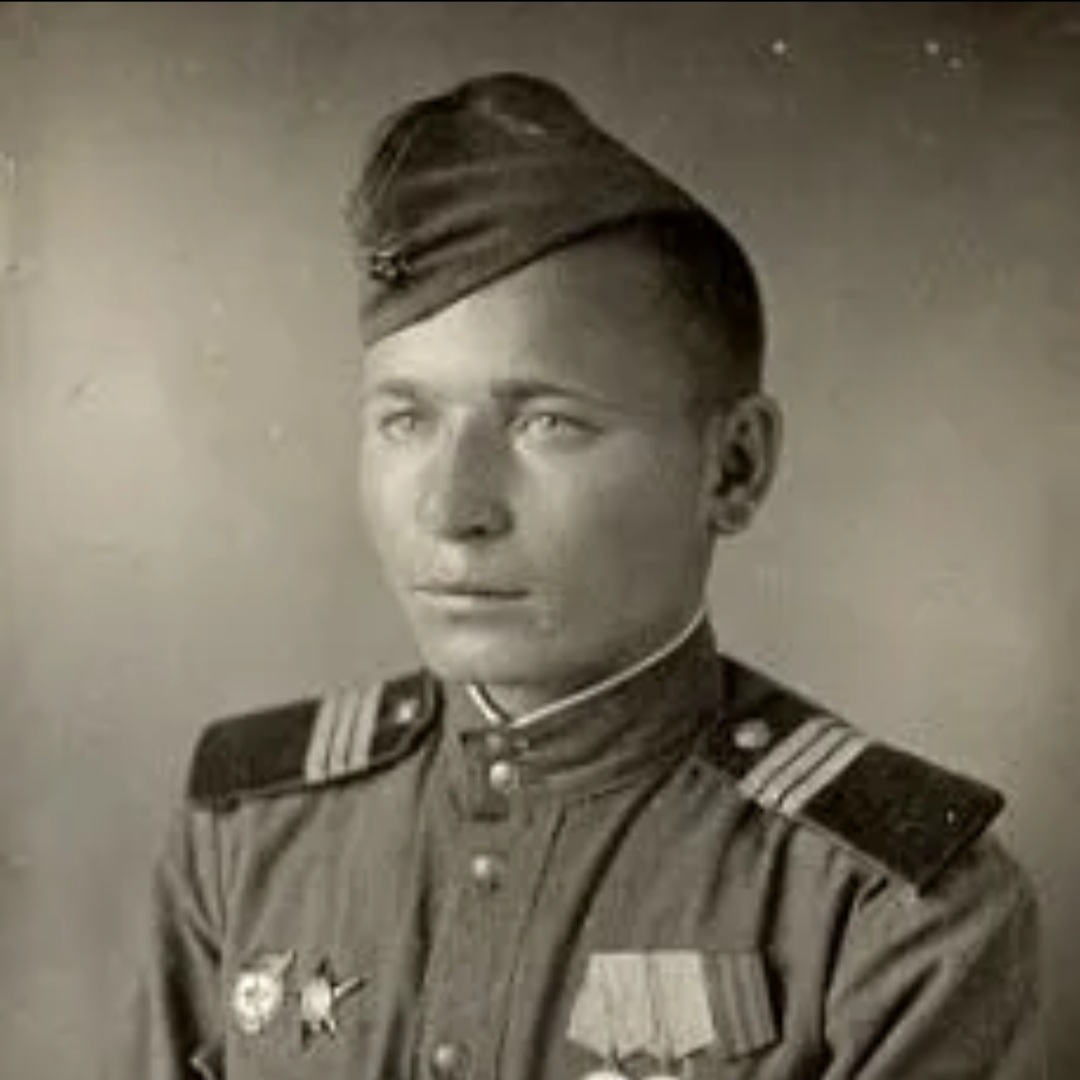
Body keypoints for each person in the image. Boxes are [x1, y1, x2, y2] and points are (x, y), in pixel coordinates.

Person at [113, 72, 1041, 1080]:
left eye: (548, 422)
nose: (452, 508)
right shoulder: (249, 836)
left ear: (733, 468)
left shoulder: (887, 908)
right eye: (406, 419)